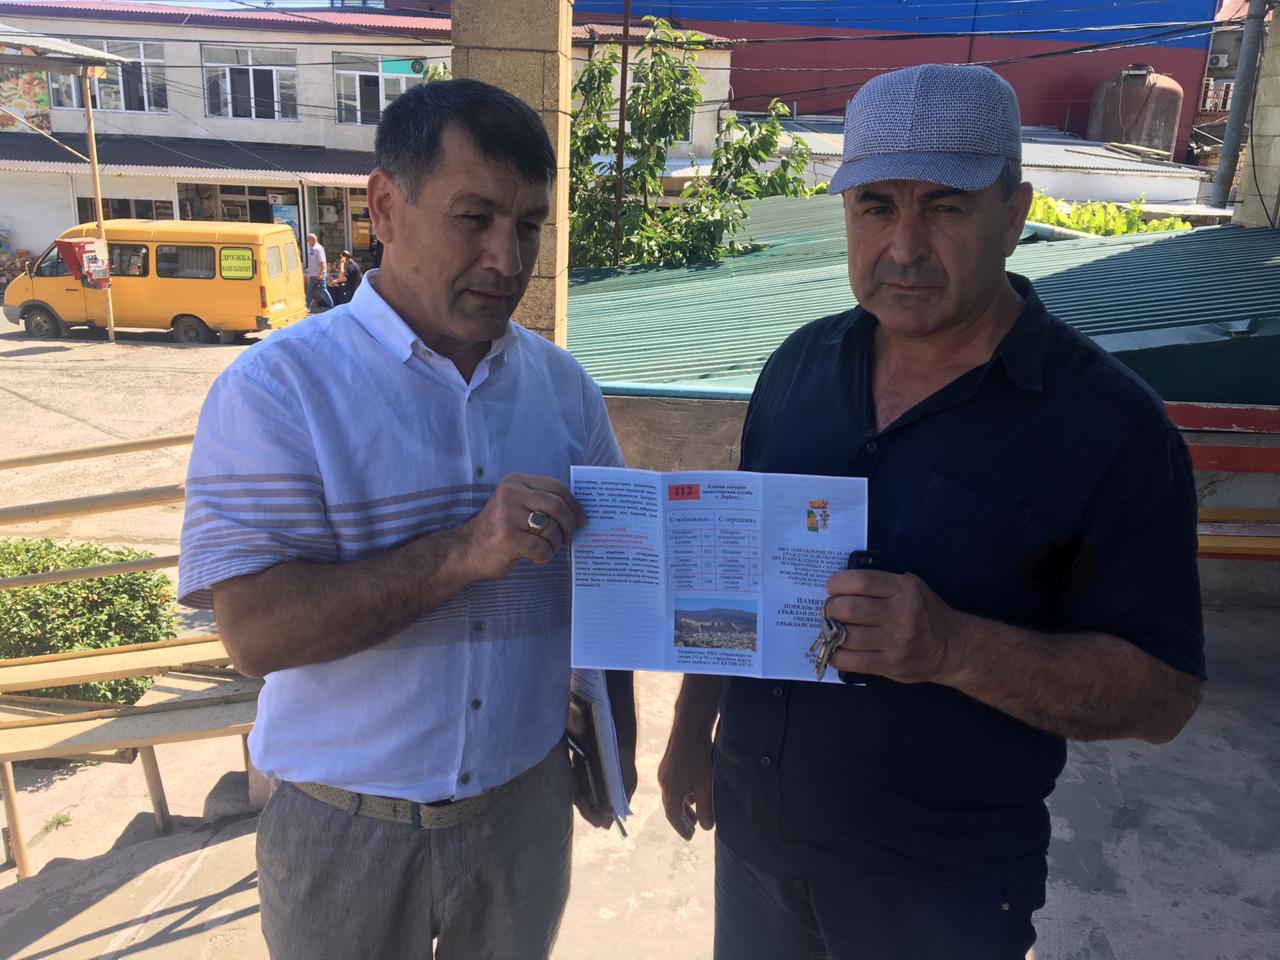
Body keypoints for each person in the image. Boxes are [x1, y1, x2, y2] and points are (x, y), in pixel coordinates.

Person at [658, 64, 1204, 960]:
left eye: (945, 208)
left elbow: (1165, 695)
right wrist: (691, 735)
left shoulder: (1112, 428)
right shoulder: (796, 369)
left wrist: (954, 648)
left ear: (1015, 214)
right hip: (757, 849)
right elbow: (738, 574)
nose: (904, 248)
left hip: (941, 895)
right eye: (875, 206)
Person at [179, 79, 635, 960]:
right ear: (385, 207)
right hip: (342, 832)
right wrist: (463, 552)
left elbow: (615, 578)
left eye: (529, 225)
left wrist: (617, 743)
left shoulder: (563, 388)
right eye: (474, 218)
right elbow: (256, 636)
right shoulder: (277, 389)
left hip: (524, 814)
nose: (508, 258)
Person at [304, 232, 333, 312]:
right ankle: (308, 307)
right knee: (310, 290)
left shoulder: (318, 249)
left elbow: (322, 263)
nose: (307, 242)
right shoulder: (312, 249)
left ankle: (332, 305)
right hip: (313, 274)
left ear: (312, 240)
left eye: (308, 240)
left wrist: (321, 274)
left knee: (323, 290)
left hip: (318, 274)